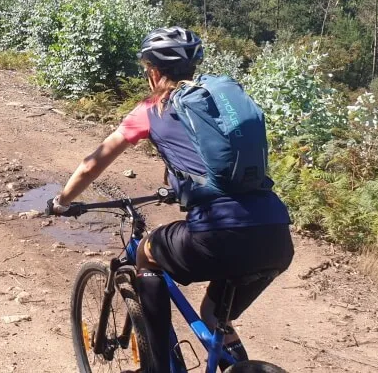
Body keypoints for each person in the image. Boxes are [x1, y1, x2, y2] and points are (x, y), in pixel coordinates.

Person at [46, 27, 294, 372]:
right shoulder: (216, 106)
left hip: (217, 232)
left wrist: (61, 200)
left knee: (147, 254)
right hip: (276, 234)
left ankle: (158, 366)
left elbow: (92, 165)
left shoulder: (150, 111)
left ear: (153, 72)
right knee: (213, 316)